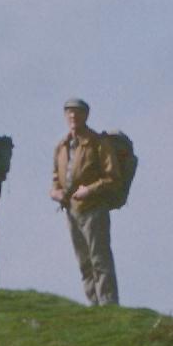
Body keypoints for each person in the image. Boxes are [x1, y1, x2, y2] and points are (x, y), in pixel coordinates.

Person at [50, 97, 122, 306]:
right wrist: (56, 194)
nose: (73, 116)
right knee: (84, 261)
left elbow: (113, 178)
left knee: (99, 258)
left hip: (94, 208)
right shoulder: (61, 147)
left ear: (86, 115)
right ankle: (94, 304)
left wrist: (89, 190)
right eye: (69, 112)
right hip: (71, 211)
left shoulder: (98, 143)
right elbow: (55, 179)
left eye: (77, 112)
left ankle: (108, 304)